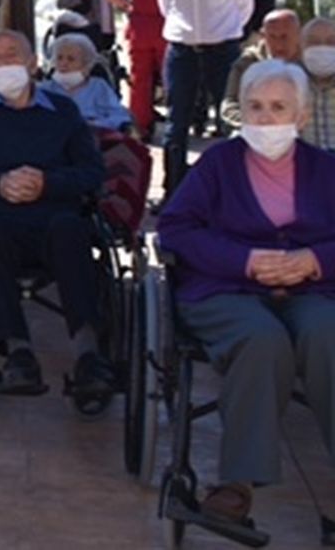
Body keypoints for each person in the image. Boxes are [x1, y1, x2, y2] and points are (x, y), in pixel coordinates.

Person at [157, 60, 335, 530]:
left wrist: (314, 259)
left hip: (314, 288)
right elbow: (175, 229)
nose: (265, 118)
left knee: (328, 334)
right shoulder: (218, 164)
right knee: (261, 340)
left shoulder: (326, 169)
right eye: (255, 107)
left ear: (301, 115)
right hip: (226, 287)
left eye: (278, 107)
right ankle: (236, 485)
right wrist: (245, 260)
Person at [0, 30, 113, 402]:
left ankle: (88, 354)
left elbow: (92, 172)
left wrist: (47, 183)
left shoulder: (62, 111)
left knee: (72, 230)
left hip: (54, 214)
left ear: (32, 64)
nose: (2, 64)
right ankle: (18, 352)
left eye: (11, 55)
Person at [156, 0, 254, 194]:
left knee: (231, 122)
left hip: (223, 52)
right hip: (182, 52)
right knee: (176, 124)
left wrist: (220, 31)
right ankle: (174, 191)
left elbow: (244, 6)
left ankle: (236, 192)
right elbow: (166, 8)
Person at [101, 0, 169, 139]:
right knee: (171, 78)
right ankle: (176, 124)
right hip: (166, 26)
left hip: (140, 27)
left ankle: (141, 125)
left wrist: (125, 4)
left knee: (140, 80)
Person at [221, 8, 301, 131]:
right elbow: (229, 106)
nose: (279, 45)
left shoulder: (311, 61)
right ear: (263, 36)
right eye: (272, 37)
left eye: (284, 37)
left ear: (298, 35)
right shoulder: (247, 64)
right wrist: (255, 123)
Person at [47, 33, 134, 132]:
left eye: (71, 59)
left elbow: (120, 116)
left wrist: (95, 124)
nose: (63, 63)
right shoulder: (45, 89)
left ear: (86, 64)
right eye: (59, 58)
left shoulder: (98, 87)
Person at [301, 18, 335, 151]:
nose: (322, 47)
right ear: (301, 46)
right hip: (306, 160)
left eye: (331, 42)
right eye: (314, 42)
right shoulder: (289, 85)